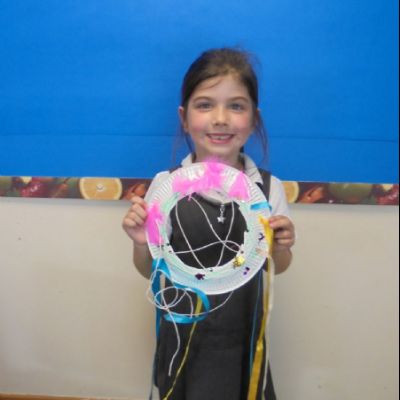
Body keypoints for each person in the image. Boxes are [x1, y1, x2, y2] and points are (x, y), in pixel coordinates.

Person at [122, 48, 296, 400]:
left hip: (243, 341)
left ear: (254, 119)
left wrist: (281, 246)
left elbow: (277, 267)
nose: (220, 119)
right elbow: (149, 269)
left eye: (236, 106)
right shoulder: (165, 187)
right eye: (205, 105)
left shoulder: (267, 189)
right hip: (182, 342)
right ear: (184, 118)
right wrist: (142, 243)